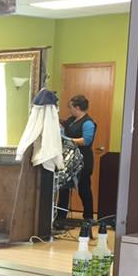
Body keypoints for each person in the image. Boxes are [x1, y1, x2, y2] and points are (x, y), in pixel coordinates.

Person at [56, 94, 97, 226]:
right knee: (64, 188)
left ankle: (88, 217)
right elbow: (63, 124)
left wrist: (68, 140)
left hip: (83, 161)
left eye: (71, 107)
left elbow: (86, 140)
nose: (70, 110)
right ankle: (60, 216)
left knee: (84, 188)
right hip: (69, 160)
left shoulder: (88, 123)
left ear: (77, 107)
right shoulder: (71, 120)